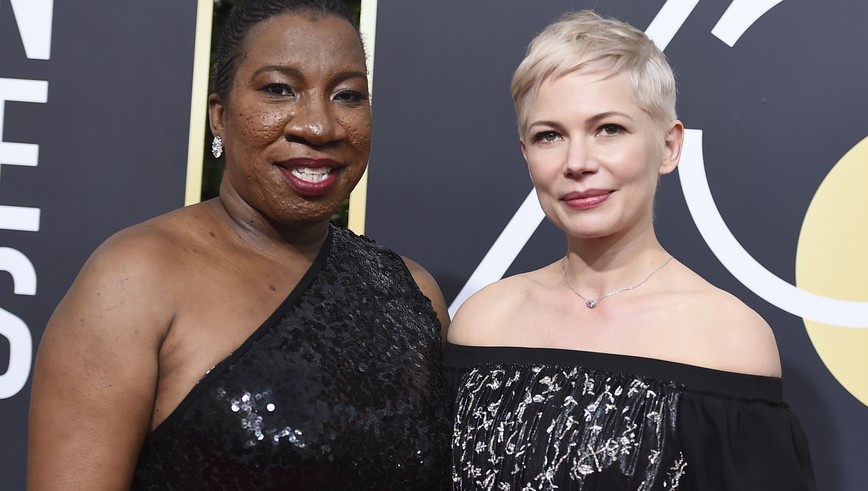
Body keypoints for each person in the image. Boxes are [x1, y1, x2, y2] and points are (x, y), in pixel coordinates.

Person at [27, 1, 452, 489]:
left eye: (348, 95)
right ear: (219, 115)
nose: (318, 126)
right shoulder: (134, 281)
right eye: (278, 89)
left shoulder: (411, 296)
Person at [444, 10, 816, 491]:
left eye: (609, 129)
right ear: (526, 155)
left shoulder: (729, 339)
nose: (577, 163)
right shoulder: (482, 322)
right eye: (549, 136)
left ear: (668, 147)